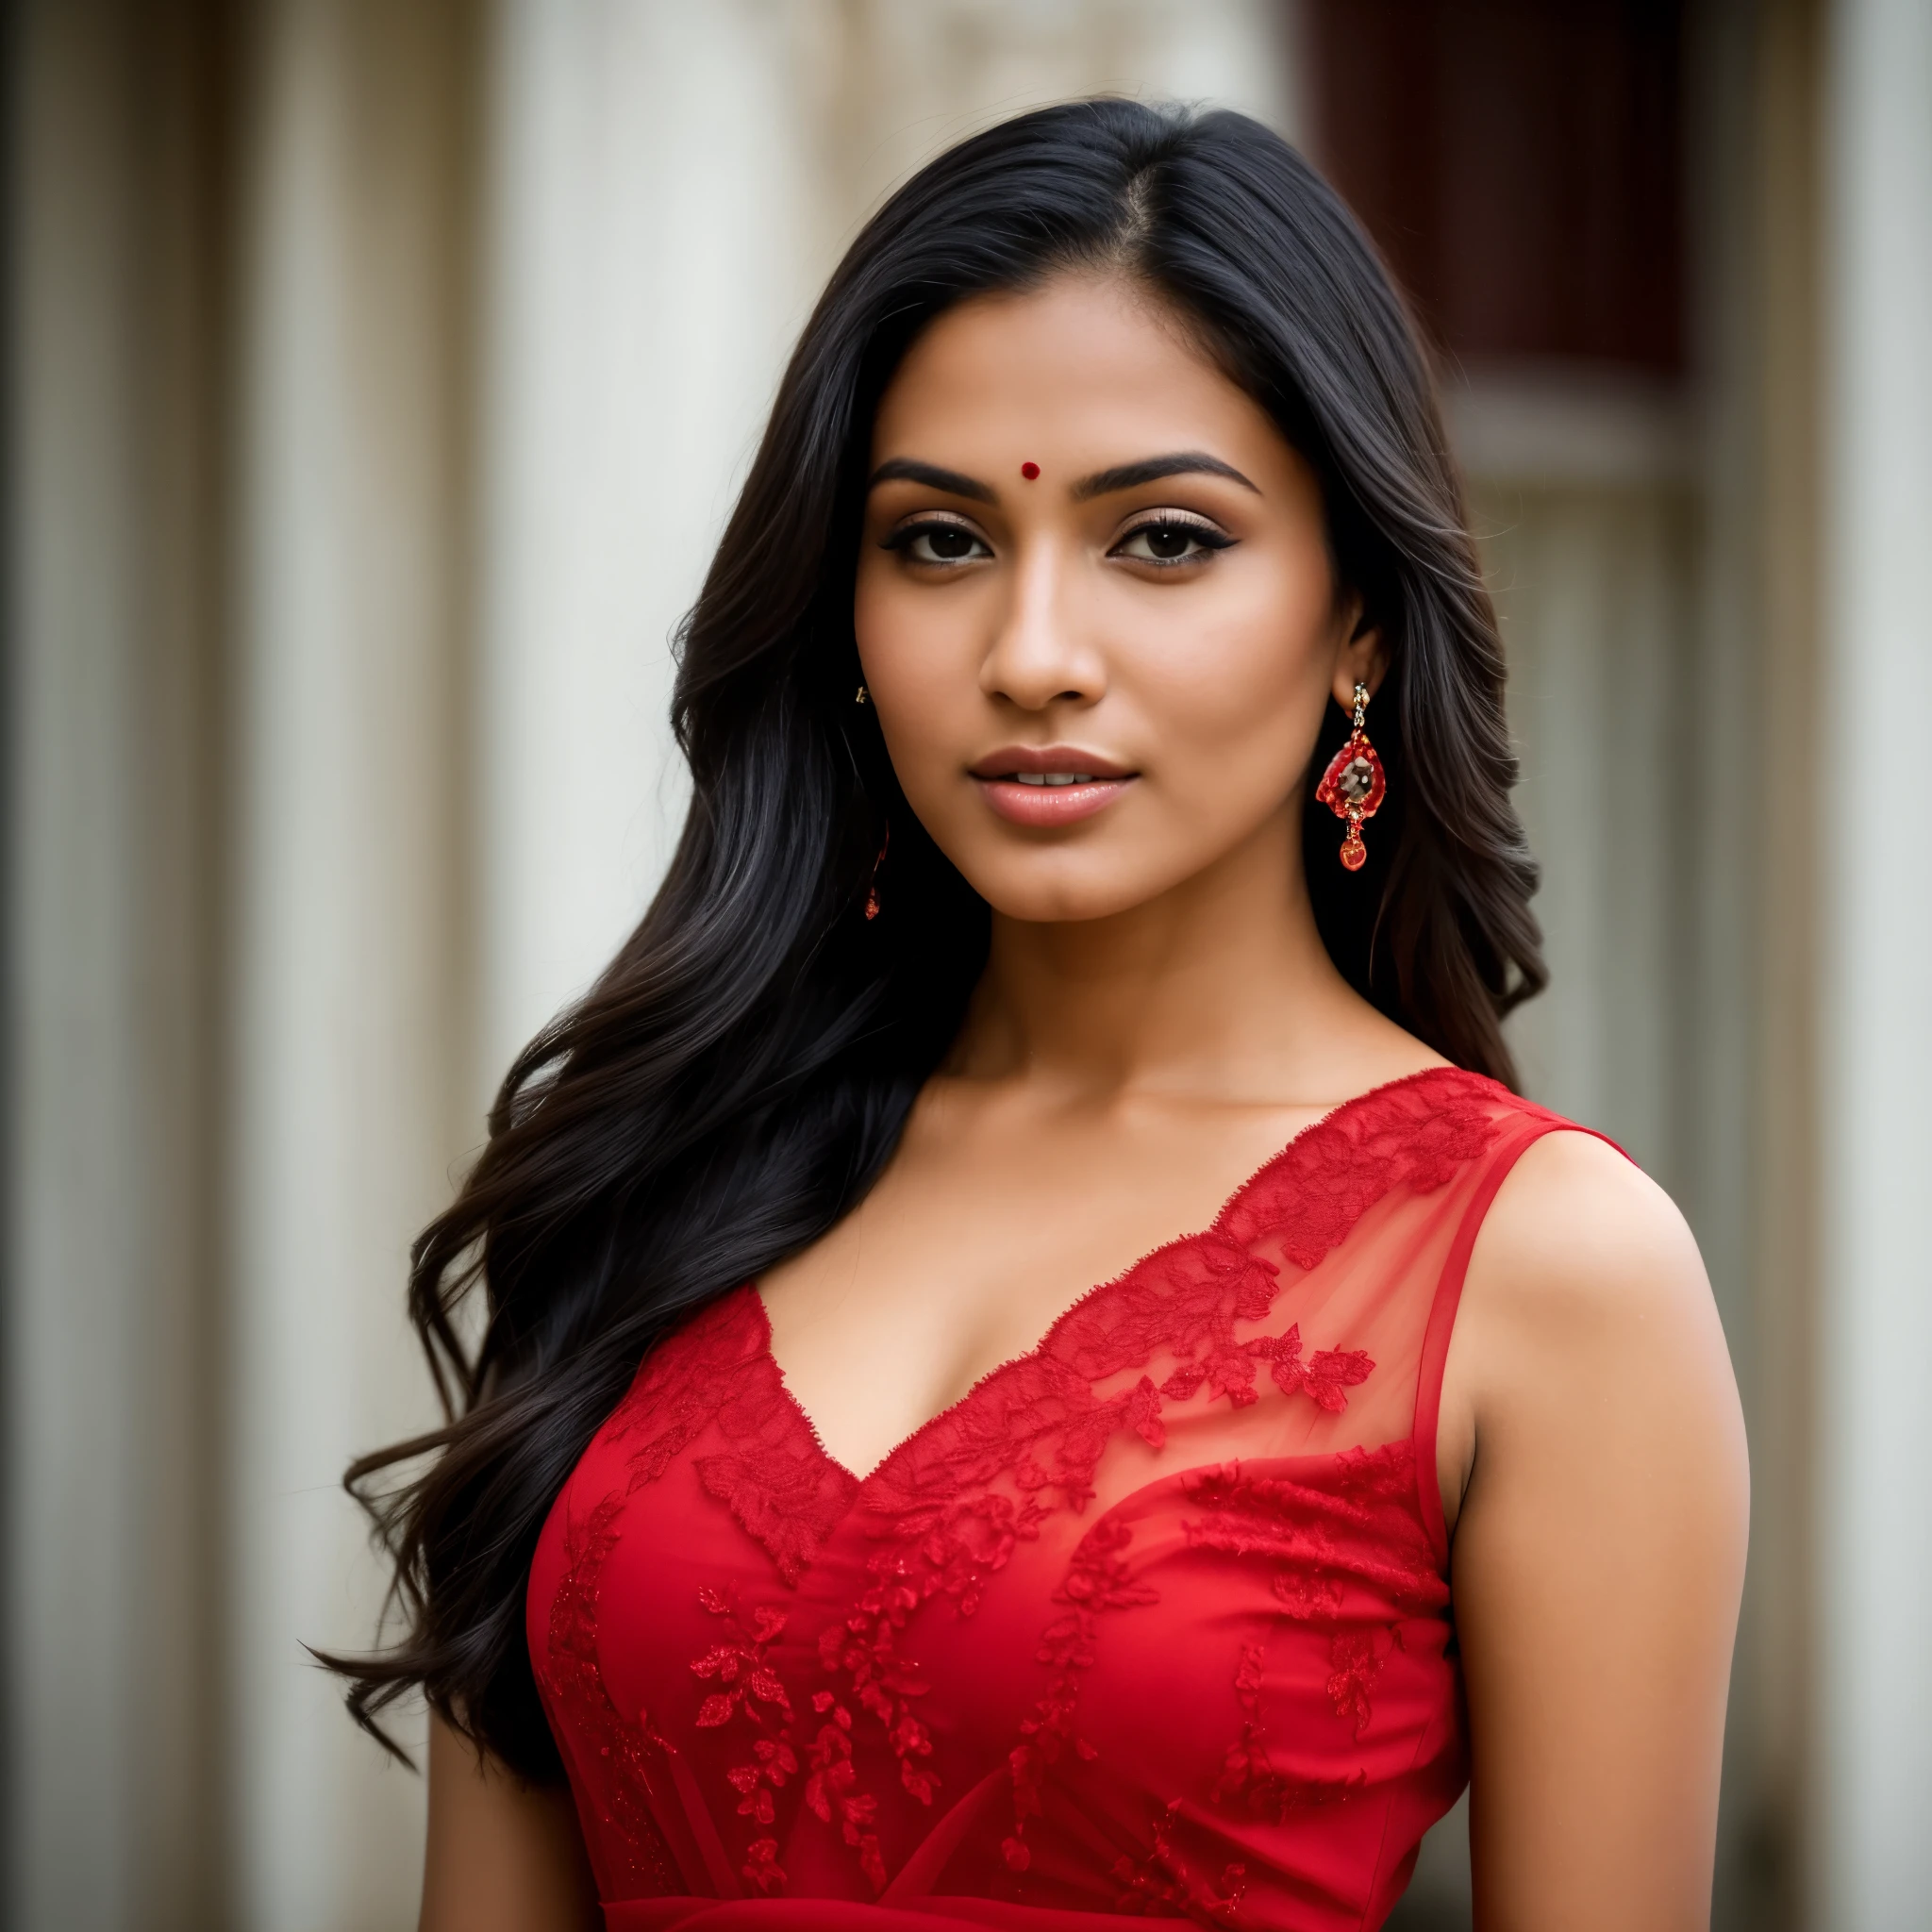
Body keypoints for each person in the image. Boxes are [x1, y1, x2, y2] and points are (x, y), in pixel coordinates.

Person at [335, 100, 1747, 1931]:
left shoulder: (1543, 1274)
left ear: (1360, 629)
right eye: (935, 544)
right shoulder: (650, 1171)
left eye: (1162, 539)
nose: (1029, 653)